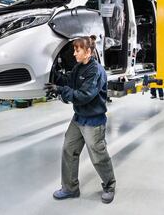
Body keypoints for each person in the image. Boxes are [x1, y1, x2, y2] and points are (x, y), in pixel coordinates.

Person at [45, 35, 116, 204]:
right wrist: (52, 75)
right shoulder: (78, 67)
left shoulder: (95, 71)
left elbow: (85, 95)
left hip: (93, 120)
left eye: (78, 50)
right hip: (78, 118)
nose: (74, 54)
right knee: (68, 150)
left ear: (88, 52)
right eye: (75, 50)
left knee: (98, 156)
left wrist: (60, 90)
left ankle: (109, 185)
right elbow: (69, 81)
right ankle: (70, 188)